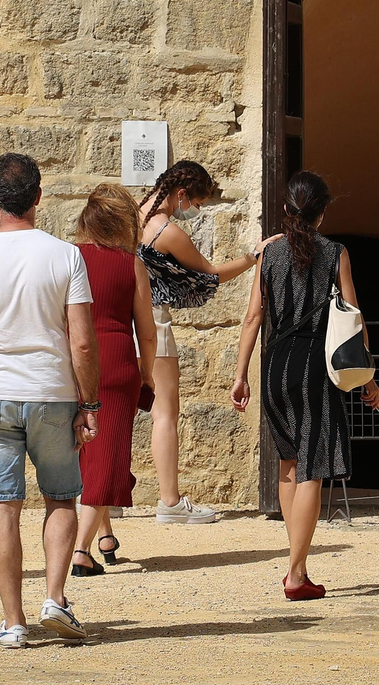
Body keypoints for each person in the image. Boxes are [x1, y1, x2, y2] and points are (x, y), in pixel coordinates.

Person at [0, 153, 101, 648]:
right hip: (51, 392)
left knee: (2, 505)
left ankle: (13, 621)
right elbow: (83, 342)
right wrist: (89, 405)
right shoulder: (66, 256)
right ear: (38, 198)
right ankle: (54, 596)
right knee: (61, 496)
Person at [231, 171, 379, 600]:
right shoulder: (336, 253)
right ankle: (296, 573)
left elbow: (253, 318)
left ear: (285, 210)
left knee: (289, 463)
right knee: (313, 465)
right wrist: (366, 377)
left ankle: (296, 564)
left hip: (276, 365)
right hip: (316, 367)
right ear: (323, 212)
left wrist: (241, 374)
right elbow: (352, 318)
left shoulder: (269, 255)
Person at [138, 160, 273, 524]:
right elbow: (211, 275)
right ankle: (170, 501)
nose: (194, 210)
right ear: (181, 194)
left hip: (120, 320)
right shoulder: (167, 231)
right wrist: (252, 257)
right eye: (195, 203)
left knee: (116, 408)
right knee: (165, 412)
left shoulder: (130, 215)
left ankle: (107, 499)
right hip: (152, 320)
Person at [70, 184, 157, 576]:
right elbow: (148, 331)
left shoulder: (68, 258)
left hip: (72, 363)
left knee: (89, 454)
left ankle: (104, 534)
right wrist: (147, 374)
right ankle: (80, 550)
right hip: (117, 364)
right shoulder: (131, 264)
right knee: (108, 455)